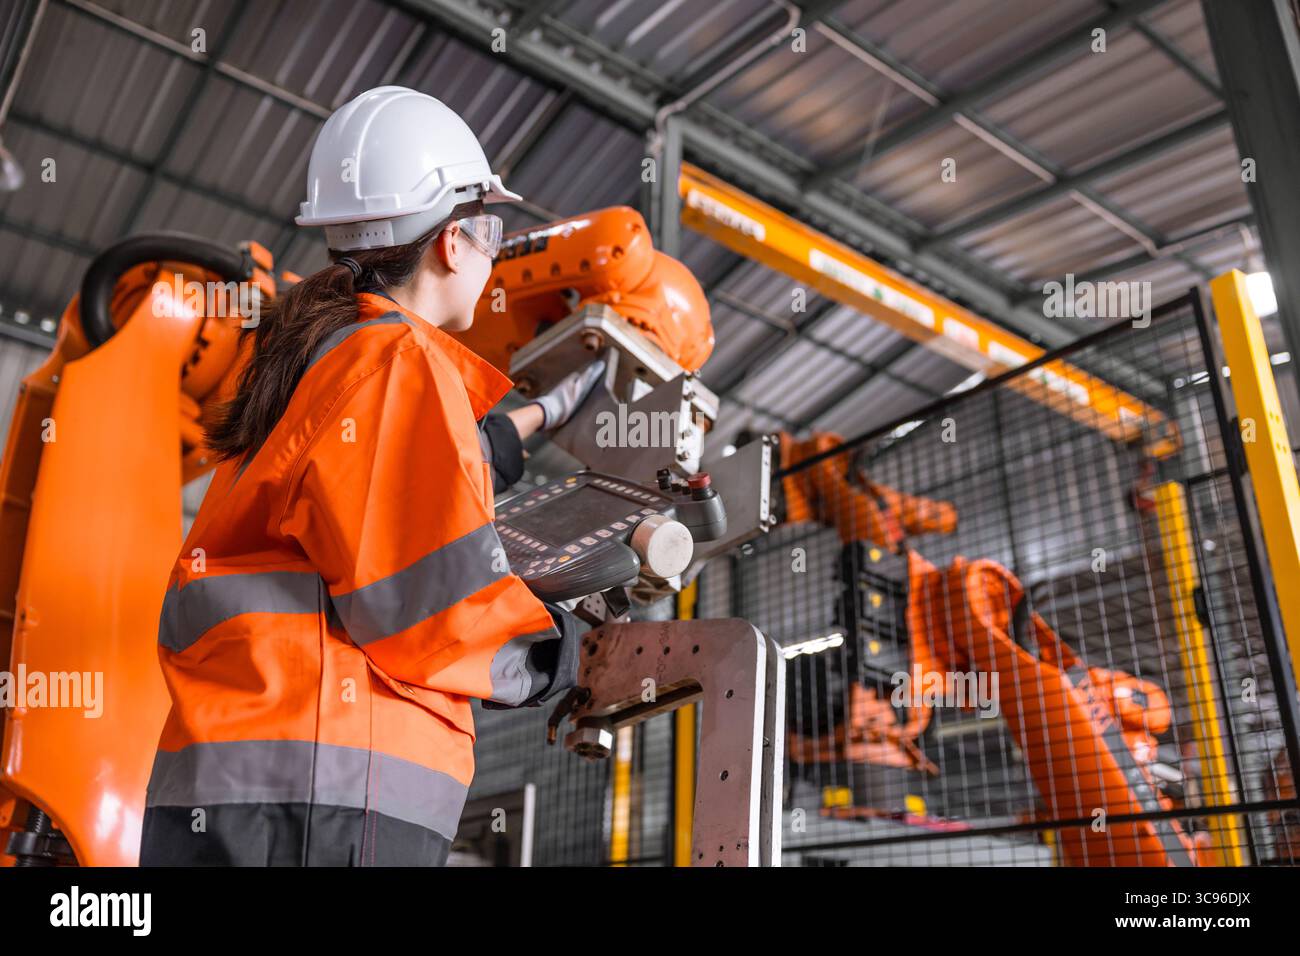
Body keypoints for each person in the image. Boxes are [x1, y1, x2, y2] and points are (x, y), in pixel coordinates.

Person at [139, 86, 601, 866]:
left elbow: (369, 504)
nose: (492, 253)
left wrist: (532, 421)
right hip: (327, 783)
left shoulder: (307, 365)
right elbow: (431, 605)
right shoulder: (396, 362)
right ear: (453, 242)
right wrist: (568, 654)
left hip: (243, 773)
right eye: (489, 227)